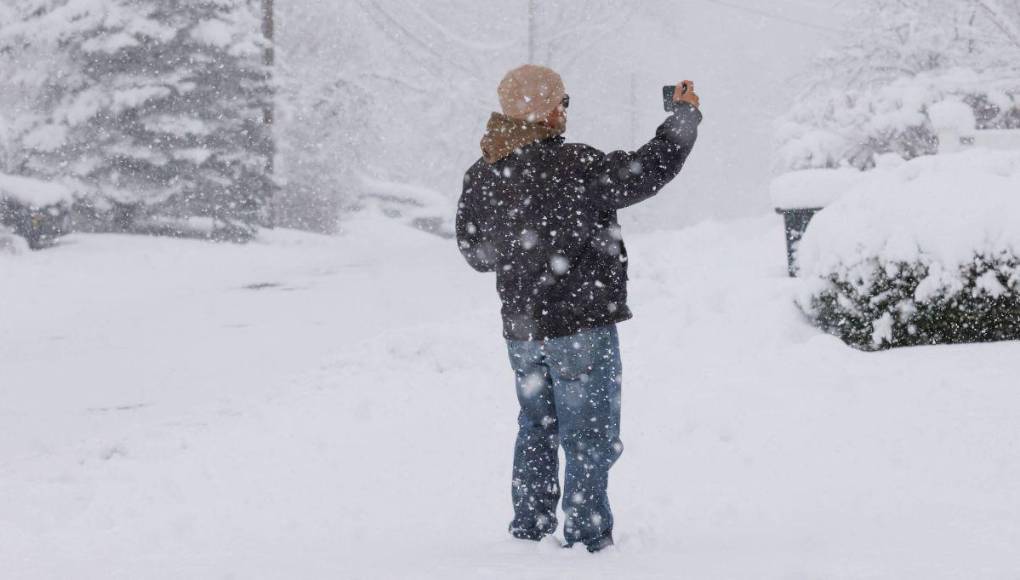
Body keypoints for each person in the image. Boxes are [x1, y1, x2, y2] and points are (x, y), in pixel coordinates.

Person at [455, 64, 701, 553]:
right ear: (546, 110)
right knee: (588, 434)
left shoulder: (483, 172)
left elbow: (475, 254)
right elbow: (648, 170)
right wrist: (683, 117)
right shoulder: (576, 165)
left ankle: (530, 528)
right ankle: (588, 536)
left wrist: (520, 249)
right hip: (581, 328)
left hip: (522, 333)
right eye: (562, 103)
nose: (566, 111)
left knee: (536, 427)